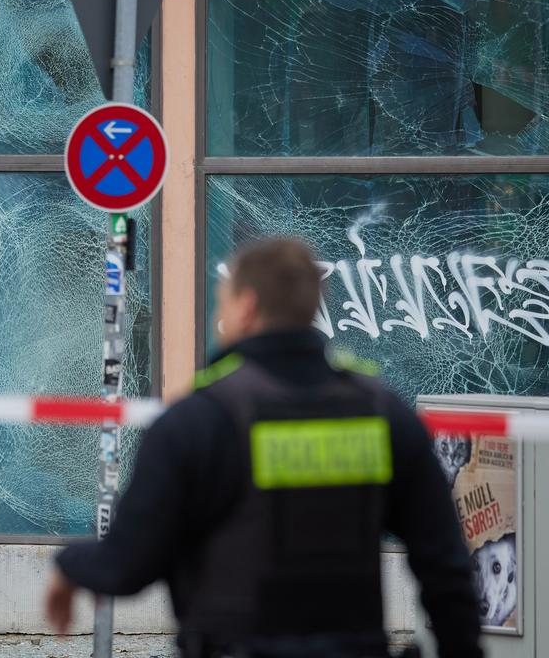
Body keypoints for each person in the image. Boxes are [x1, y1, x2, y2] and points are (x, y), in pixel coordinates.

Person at [44, 237, 482, 658]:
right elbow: (444, 564)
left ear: (247, 307)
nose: (220, 315)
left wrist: (69, 567)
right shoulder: (383, 414)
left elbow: (127, 564)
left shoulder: (199, 421)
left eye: (222, 302)